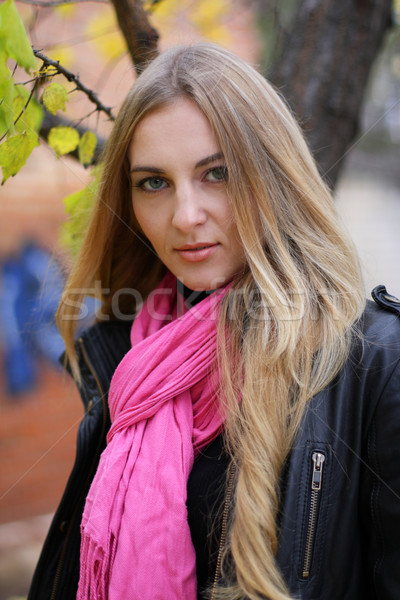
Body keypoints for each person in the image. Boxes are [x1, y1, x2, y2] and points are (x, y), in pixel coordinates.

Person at [28, 43, 400, 600]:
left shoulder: (378, 366)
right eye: (153, 182)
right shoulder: (124, 362)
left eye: (217, 173)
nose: (185, 217)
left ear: (272, 175)